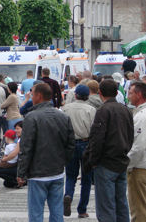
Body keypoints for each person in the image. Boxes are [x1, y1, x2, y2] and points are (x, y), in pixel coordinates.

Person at [17, 83, 75, 222]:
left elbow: (26, 147)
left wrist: (21, 172)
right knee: (57, 211)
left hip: (38, 173)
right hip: (57, 171)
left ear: (39, 96)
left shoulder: (31, 117)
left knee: (36, 213)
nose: (30, 95)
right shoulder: (63, 116)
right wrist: (62, 162)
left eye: (32, 93)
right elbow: (70, 144)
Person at [83, 79, 134, 222]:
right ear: (117, 93)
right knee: (121, 203)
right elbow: (131, 136)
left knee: (106, 206)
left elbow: (97, 139)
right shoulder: (126, 110)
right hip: (121, 161)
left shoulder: (103, 111)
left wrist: (92, 160)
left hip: (106, 163)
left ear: (100, 93)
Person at [61, 84, 96, 218]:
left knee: (70, 175)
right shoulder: (91, 109)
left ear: (75, 95)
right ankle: (82, 209)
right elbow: (94, 129)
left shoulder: (66, 109)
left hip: (70, 143)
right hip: (86, 143)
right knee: (86, 178)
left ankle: (68, 194)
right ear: (88, 96)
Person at [126, 81, 146, 221]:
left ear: (139, 94)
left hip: (140, 167)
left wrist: (127, 164)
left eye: (130, 93)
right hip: (144, 165)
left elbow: (138, 147)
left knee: (140, 209)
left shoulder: (142, 116)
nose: (128, 96)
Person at [0, 121, 23, 189]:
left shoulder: (21, 140)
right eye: (15, 129)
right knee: (6, 183)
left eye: (17, 128)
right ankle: (14, 181)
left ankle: (16, 182)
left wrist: (4, 159)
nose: (15, 130)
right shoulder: (18, 141)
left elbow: (14, 154)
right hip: (17, 164)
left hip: (18, 166)